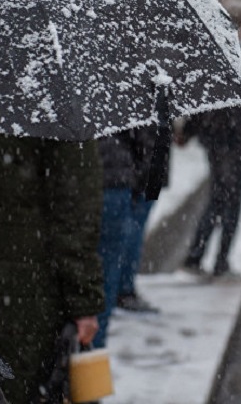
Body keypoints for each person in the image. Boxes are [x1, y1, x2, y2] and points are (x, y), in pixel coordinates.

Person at [0, 131, 105, 403]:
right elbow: (75, 211)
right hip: (33, 286)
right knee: (25, 385)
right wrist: (85, 300)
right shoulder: (61, 107)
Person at [178, 14, 241, 279]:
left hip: (214, 138)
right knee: (232, 200)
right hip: (237, 139)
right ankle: (220, 261)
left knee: (218, 197)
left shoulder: (209, 56)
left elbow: (200, 101)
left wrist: (188, 132)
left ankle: (196, 255)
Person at [93, 125, 166, 348]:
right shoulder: (127, 98)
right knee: (108, 266)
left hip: (95, 179)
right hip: (117, 180)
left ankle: (87, 347)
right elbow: (145, 140)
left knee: (95, 266)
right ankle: (95, 348)